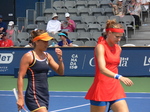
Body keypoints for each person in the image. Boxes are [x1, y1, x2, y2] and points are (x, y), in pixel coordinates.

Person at [85, 19, 134, 112]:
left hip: (115, 87)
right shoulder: (100, 47)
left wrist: (117, 78)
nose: (119, 40)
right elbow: (102, 69)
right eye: (117, 37)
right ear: (109, 33)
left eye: (120, 37)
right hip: (101, 87)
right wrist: (119, 77)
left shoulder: (118, 48)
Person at [17, 29, 64, 112]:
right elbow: (20, 77)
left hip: (45, 95)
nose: (47, 44)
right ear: (37, 42)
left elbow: (60, 72)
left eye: (47, 41)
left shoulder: (47, 56)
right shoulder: (28, 56)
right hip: (33, 95)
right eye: (45, 41)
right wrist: (20, 98)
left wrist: (60, 59)